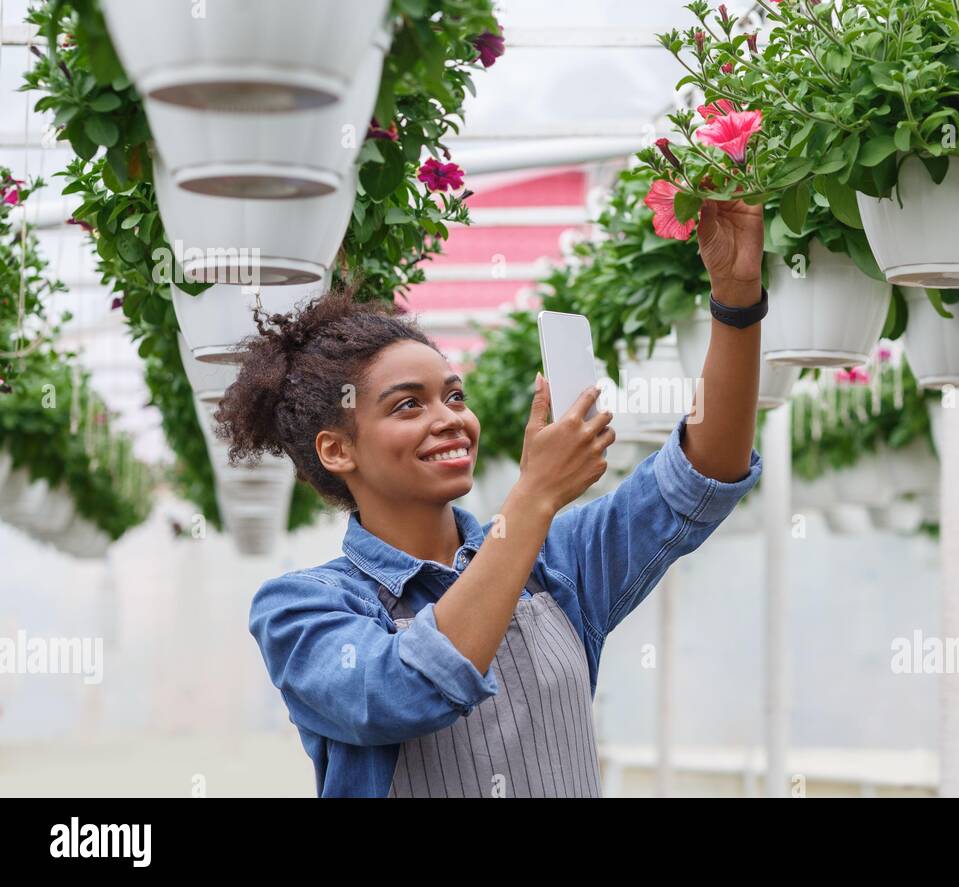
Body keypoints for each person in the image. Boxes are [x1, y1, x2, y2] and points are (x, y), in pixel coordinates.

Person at [217, 198, 766, 797]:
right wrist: (533, 497)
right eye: (408, 405)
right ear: (336, 450)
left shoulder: (559, 560)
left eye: (453, 397)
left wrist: (735, 303)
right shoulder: (302, 608)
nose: (449, 419)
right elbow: (405, 689)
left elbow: (702, 476)